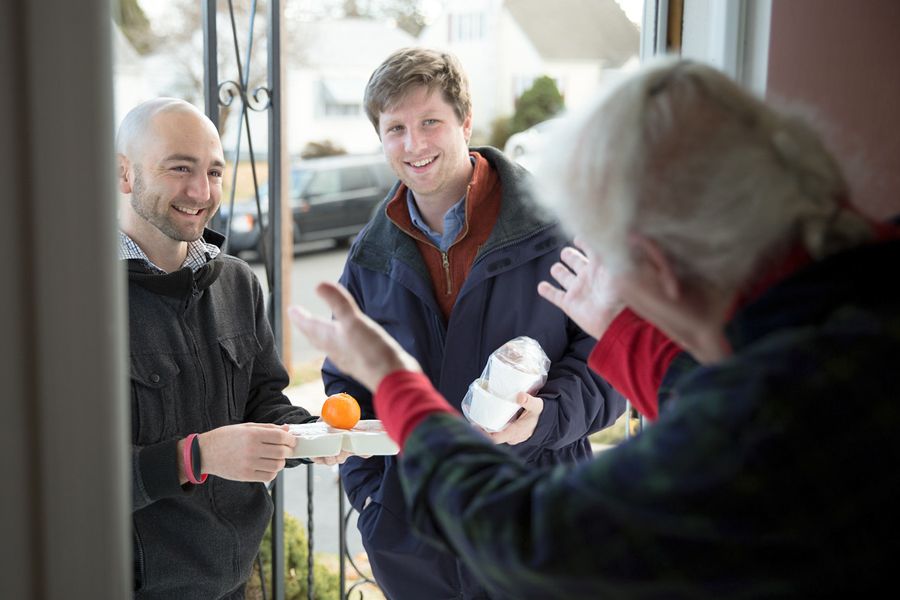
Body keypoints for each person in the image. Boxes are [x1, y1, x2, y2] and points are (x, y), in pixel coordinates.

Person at [291, 57, 900, 598]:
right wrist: (624, 331)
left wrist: (395, 381)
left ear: (659, 265)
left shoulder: (770, 411)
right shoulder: (845, 320)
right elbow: (702, 391)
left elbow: (532, 539)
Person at [322, 47, 626, 599]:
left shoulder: (556, 224)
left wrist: (547, 416)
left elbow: (611, 360)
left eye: (430, 122)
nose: (414, 145)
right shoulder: (371, 254)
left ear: (465, 121)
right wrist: (373, 501)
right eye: (396, 129)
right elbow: (347, 381)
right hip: (416, 549)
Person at [120, 98, 337, 599]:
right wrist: (195, 456)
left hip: (234, 582)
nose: (202, 191)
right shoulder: (77, 303)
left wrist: (319, 435)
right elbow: (68, 483)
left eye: (215, 171)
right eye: (180, 168)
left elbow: (265, 403)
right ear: (125, 174)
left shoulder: (236, 282)